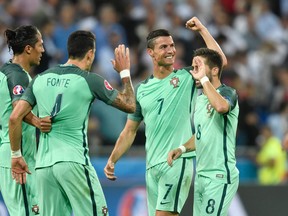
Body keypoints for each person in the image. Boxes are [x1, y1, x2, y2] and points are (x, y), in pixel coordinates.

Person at [104, 17, 227, 216]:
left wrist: (202, 29)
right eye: (163, 47)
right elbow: (129, 130)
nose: (170, 50)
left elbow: (219, 62)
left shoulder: (187, 77)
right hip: (152, 167)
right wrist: (113, 159)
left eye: (172, 45)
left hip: (177, 162)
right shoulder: (142, 90)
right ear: (150, 53)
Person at [8, 30, 135, 216]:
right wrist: (125, 73)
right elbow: (130, 105)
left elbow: (14, 117)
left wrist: (16, 155)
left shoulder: (39, 79)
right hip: (73, 161)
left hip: (43, 167)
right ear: (90, 53)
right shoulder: (90, 80)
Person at [167, 48, 239, 216]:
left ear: (214, 70)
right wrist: (182, 149)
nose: (194, 72)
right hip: (201, 175)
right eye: (194, 67)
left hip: (220, 175)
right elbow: (201, 135)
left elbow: (221, 107)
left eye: (198, 66)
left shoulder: (228, 93)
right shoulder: (200, 100)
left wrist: (204, 79)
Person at [0, 25, 50, 216]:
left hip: (9, 151)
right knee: (27, 212)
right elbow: (17, 111)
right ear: (28, 48)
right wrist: (38, 122)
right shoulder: (18, 75)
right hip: (18, 155)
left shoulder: (5, 71)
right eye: (40, 44)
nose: (43, 50)